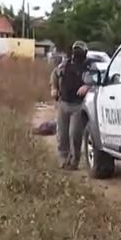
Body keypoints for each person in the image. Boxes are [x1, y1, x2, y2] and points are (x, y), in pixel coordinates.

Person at [50, 40, 93, 169]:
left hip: (78, 105)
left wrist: (87, 86)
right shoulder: (64, 65)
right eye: (76, 50)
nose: (77, 53)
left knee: (74, 134)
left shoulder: (89, 67)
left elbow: (96, 80)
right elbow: (54, 75)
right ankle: (64, 159)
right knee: (62, 135)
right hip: (63, 103)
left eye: (80, 50)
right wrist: (54, 88)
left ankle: (74, 162)